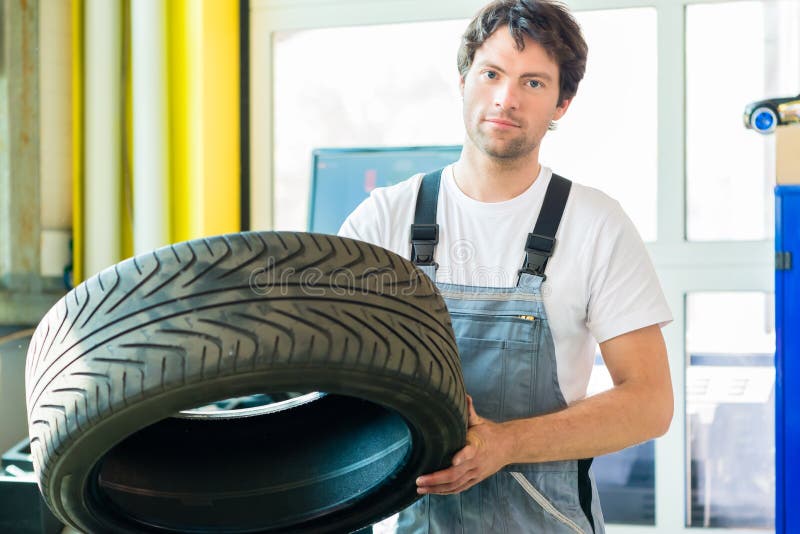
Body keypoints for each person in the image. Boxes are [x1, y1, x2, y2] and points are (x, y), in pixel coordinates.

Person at [339, 0, 673, 531]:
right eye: (491, 73)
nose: (505, 98)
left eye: (533, 83)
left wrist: (505, 444)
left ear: (562, 103)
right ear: (463, 79)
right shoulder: (385, 218)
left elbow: (650, 403)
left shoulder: (595, 224)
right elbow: (328, 368)